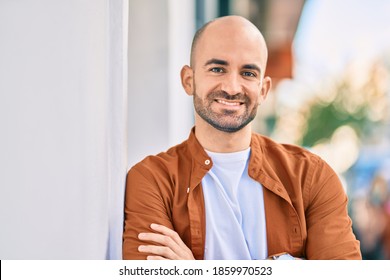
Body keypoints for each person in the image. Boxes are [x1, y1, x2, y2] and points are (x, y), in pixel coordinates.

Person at [122, 15, 362, 260]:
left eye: (247, 73)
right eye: (217, 69)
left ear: (263, 89)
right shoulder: (152, 180)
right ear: (188, 80)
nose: (232, 87)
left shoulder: (311, 178)